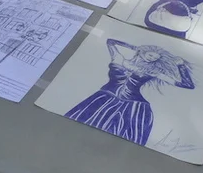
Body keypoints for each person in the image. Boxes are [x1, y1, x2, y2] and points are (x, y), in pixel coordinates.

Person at [65, 39, 194, 146]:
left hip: (134, 105)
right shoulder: (119, 59)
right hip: (104, 97)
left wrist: (181, 65)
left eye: (155, 58)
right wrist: (135, 47)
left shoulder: (153, 72)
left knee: (120, 141)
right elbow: (110, 42)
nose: (152, 59)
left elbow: (187, 85)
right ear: (142, 52)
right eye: (150, 55)